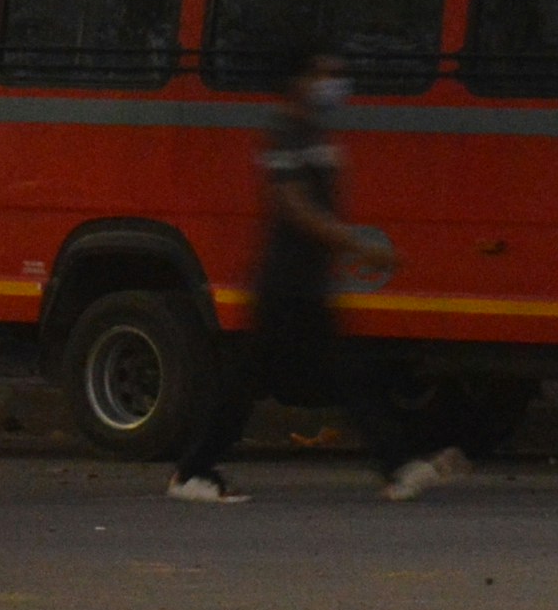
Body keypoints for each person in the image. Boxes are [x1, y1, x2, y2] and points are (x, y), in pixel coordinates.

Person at [170, 44, 470, 505]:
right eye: (326, 74)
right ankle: (193, 471)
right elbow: (294, 205)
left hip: (305, 279)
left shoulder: (312, 132)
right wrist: (356, 245)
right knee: (294, 377)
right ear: (299, 81)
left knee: (329, 375)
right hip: (285, 282)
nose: (336, 85)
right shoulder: (286, 130)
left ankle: (396, 466)